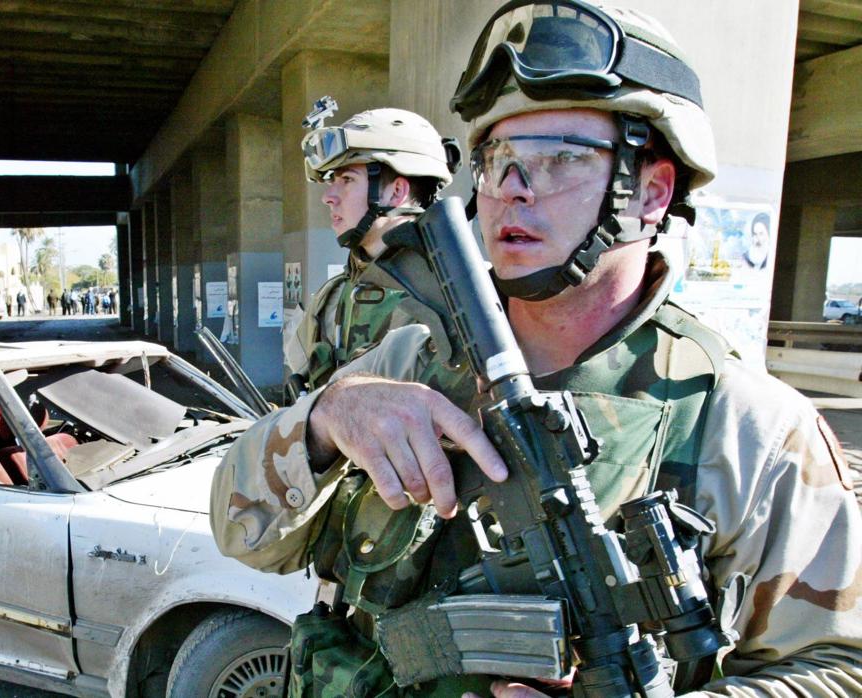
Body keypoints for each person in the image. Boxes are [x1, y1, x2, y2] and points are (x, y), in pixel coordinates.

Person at [211, 3, 862, 696]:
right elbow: (239, 530)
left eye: (560, 159)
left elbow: (837, 671)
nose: (511, 191)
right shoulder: (408, 363)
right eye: (497, 161)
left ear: (650, 191)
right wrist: (323, 422)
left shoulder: (748, 426)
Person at [286, 104, 459, 401]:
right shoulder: (332, 297)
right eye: (332, 181)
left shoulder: (465, 302)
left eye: (347, 180)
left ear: (396, 193)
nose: (328, 197)